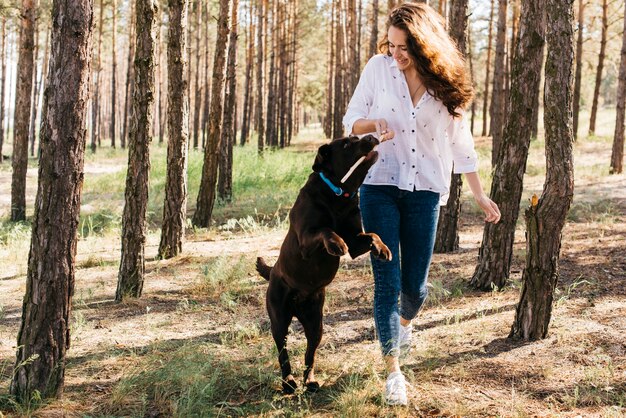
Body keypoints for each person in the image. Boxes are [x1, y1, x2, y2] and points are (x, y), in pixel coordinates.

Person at [342, 2, 501, 406]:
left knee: (414, 287)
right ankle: (393, 372)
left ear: (425, 45)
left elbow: (461, 144)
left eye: (404, 47)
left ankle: (404, 325)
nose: (396, 54)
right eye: (392, 45)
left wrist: (479, 193)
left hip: (425, 190)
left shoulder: (445, 82)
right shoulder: (378, 68)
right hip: (378, 185)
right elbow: (351, 119)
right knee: (387, 283)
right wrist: (373, 126)